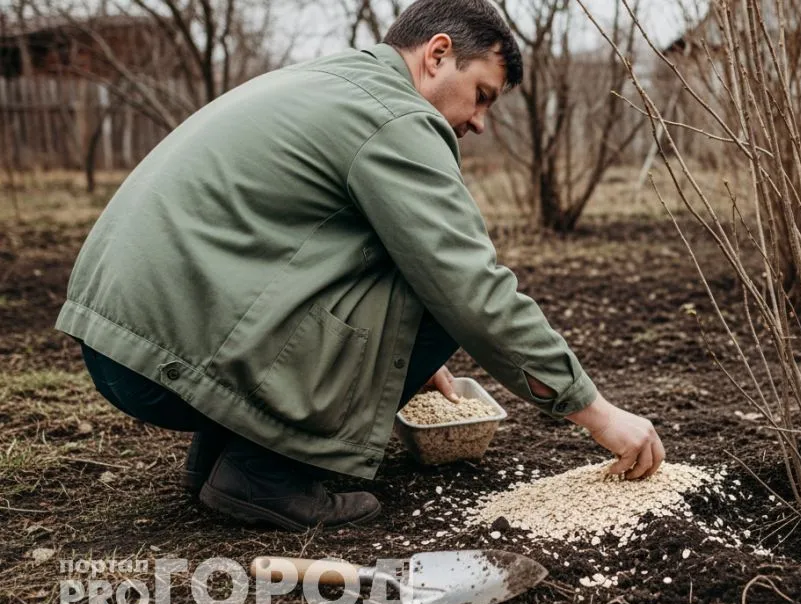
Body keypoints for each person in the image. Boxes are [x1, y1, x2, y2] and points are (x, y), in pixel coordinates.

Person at [56, 0, 666, 532]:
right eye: (481, 94)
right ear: (438, 54)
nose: (480, 121)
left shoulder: (330, 80)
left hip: (120, 339)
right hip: (161, 356)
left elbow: (303, 244)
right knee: (443, 290)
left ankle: (224, 456)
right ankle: (267, 474)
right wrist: (595, 411)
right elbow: (470, 286)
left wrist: (404, 360)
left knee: (420, 270)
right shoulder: (396, 117)